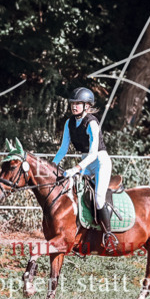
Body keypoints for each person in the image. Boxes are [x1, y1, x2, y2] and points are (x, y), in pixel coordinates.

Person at [52, 87, 116, 247]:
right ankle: (78, 230)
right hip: (85, 161)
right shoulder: (69, 122)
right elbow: (63, 149)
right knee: (73, 192)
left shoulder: (92, 122)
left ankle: (108, 235)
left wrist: (76, 168)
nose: (74, 106)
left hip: (100, 162)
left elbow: (94, 153)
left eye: (78, 103)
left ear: (87, 106)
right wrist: (52, 165)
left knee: (99, 199)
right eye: (73, 103)